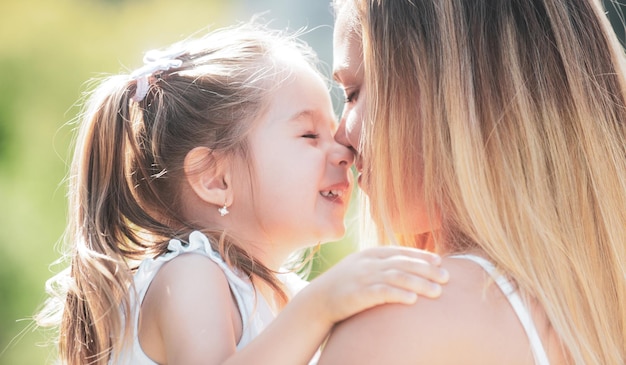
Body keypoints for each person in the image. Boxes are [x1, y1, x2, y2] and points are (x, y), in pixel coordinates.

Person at [35, 22, 451, 365]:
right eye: (309, 134)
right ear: (215, 178)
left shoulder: (281, 293)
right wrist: (322, 306)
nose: (344, 149)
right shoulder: (189, 275)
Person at [319, 0, 626, 364]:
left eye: (351, 94)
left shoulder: (400, 323)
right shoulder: (595, 317)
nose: (340, 135)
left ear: (445, 90)